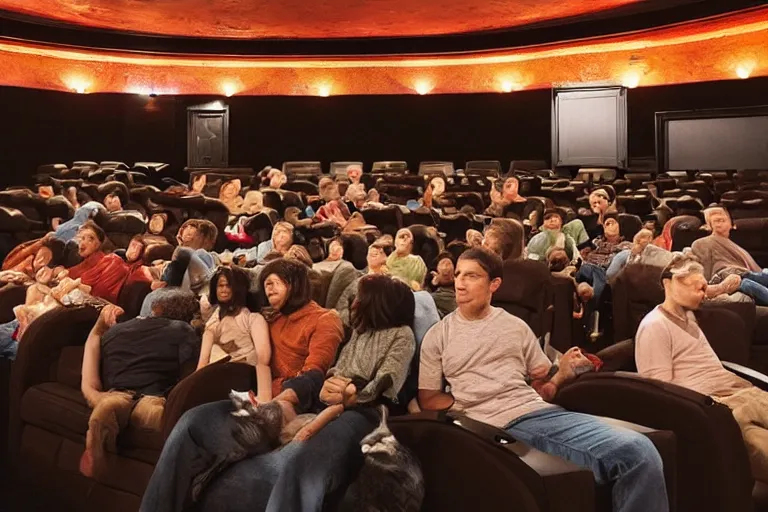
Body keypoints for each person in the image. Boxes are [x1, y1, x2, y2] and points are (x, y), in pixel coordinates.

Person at [418, 248, 669, 512]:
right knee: (636, 452)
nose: (459, 283)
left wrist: (563, 373)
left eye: (471, 276)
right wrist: (466, 404)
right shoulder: (439, 335)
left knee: (641, 450)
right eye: (458, 275)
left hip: (539, 413)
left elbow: (543, 386)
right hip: (495, 426)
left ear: (494, 284)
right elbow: (428, 398)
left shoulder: (515, 326)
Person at [140, 259, 347, 512]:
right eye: (265, 285)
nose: (268, 290)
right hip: (257, 401)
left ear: (294, 284)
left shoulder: (325, 319)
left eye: (273, 283)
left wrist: (284, 400)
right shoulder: (272, 319)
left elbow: (316, 372)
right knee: (191, 421)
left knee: (240, 475)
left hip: (291, 408)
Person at [636, 254, 768, 483]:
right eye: (697, 288)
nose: (703, 294)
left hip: (741, 392)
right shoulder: (654, 326)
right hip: (717, 406)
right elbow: (657, 392)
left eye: (704, 287)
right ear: (669, 284)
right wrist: (709, 408)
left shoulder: (689, 318)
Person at [79, 291, 201, 477]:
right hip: (153, 394)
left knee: (110, 405)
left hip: (116, 390)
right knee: (155, 415)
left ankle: (100, 441)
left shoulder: (115, 331)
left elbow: (97, 349)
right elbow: (187, 376)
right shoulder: (182, 329)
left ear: (157, 309)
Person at [198, 266, 272, 403]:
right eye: (220, 285)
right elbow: (202, 364)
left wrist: (264, 398)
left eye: (228, 285)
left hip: (244, 378)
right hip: (213, 379)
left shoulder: (253, 319)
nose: (224, 290)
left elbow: (263, 359)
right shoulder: (211, 325)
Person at [691, 206, 767, 303]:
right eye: (714, 221)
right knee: (747, 284)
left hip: (748, 274)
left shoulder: (738, 247)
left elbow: (756, 271)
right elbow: (704, 273)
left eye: (722, 220)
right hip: (729, 278)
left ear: (732, 225)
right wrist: (716, 287)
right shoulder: (701, 243)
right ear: (708, 225)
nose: (718, 223)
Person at [66, 221, 130, 304]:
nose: (83, 243)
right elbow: (71, 272)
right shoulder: (86, 262)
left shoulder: (109, 261)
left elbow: (97, 293)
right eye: (81, 238)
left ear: (98, 244)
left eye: (90, 239)